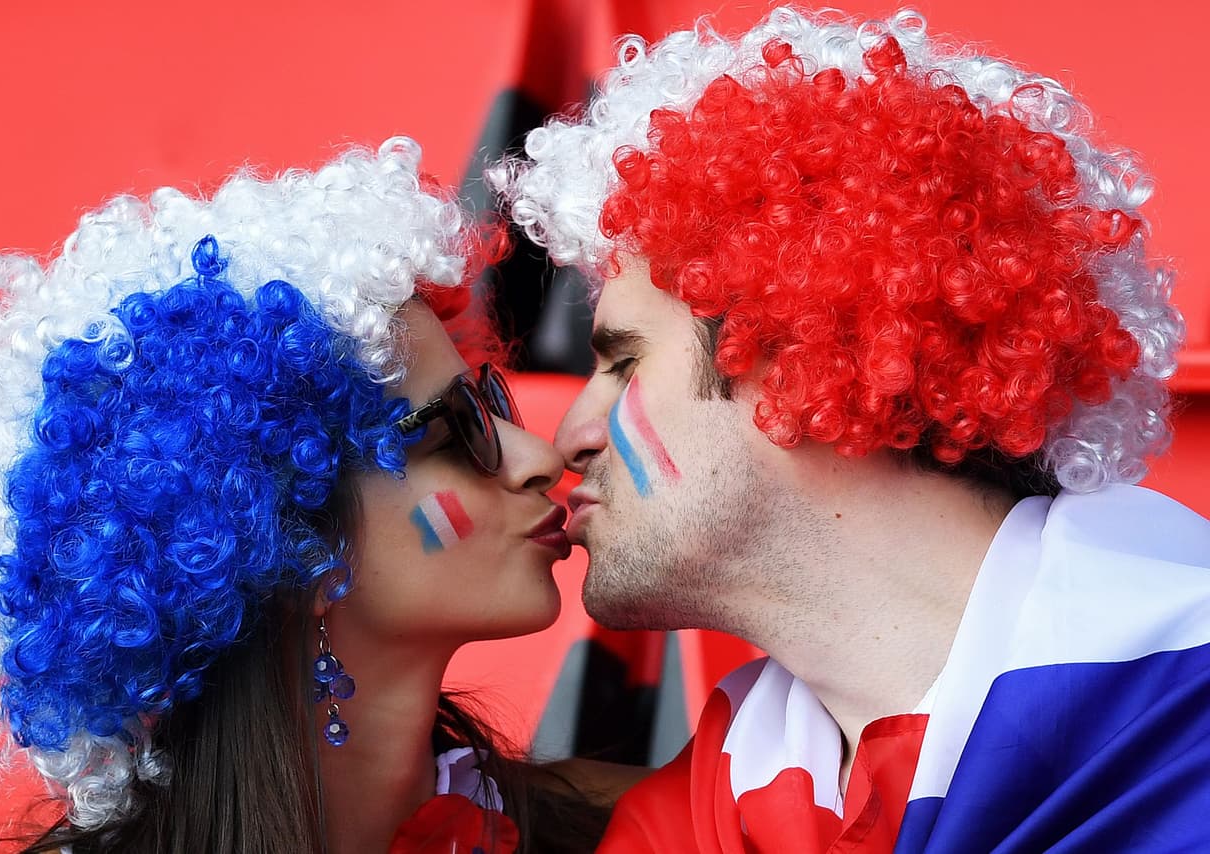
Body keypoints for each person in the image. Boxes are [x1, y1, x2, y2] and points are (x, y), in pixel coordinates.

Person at [493, 6, 1210, 851]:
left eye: (621, 363)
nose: (567, 437)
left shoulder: (1181, 698)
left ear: (804, 353)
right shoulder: (691, 814)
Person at [0, 139, 616, 853]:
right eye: (455, 434)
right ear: (304, 551)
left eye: (491, 402)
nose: (540, 455)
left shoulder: (631, 831)